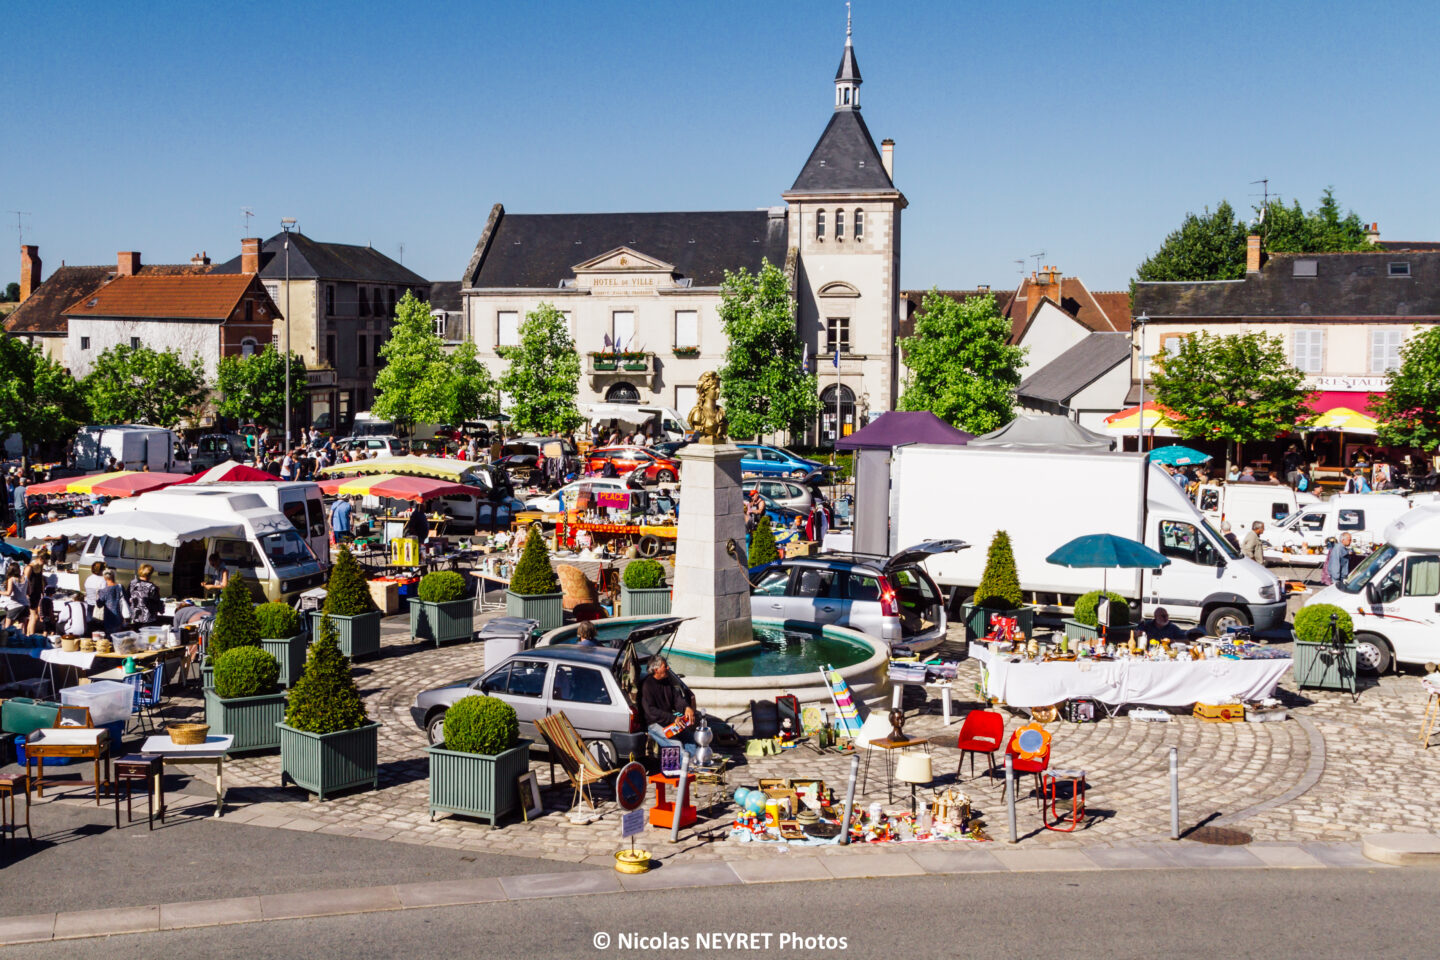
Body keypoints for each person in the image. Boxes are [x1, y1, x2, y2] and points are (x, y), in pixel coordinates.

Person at [640, 656, 697, 757]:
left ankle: (691, 766)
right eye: (665, 666)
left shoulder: (667, 681)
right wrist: (673, 718)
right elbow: (651, 711)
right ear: (656, 670)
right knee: (677, 745)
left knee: (690, 739)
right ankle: (683, 770)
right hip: (654, 724)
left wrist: (687, 707)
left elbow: (677, 698)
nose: (668, 668)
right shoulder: (647, 686)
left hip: (669, 721)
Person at [1, 561, 27, 627]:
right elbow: (29, 591)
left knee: (7, 627)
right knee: (21, 625)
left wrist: (0, 592)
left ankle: (8, 637)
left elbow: (8, 593)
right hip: (25, 604)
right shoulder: (26, 578)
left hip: (14, 605)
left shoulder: (11, 579)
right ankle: (20, 636)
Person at [24, 560, 47, 634]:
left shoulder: (38, 568)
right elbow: (25, 580)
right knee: (34, 616)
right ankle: (31, 635)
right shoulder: (30, 567)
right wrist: (26, 593)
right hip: (32, 594)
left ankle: (28, 634)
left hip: (35, 594)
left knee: (32, 616)